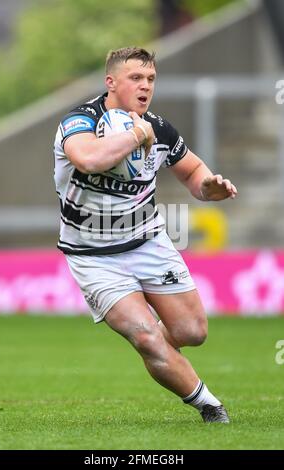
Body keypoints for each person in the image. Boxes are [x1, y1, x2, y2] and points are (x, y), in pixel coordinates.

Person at [53, 47, 237, 423]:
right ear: (111, 82)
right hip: (92, 255)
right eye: (135, 78)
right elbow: (89, 159)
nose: (145, 86)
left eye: (150, 79)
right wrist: (137, 133)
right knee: (146, 336)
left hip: (148, 242)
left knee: (192, 331)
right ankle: (209, 405)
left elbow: (192, 171)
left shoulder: (158, 127)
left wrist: (208, 187)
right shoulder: (80, 122)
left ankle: (161, 353)